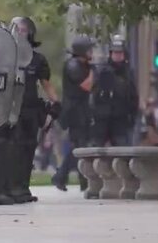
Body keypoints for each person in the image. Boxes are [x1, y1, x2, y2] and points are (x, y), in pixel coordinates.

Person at [7, 16, 59, 204]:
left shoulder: (37, 59)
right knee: (14, 148)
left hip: (30, 109)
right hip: (10, 109)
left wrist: (56, 103)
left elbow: (46, 84)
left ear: (30, 32)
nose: (21, 32)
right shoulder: (4, 56)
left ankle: (23, 187)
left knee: (29, 148)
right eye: (17, 29)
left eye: (24, 29)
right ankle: (11, 188)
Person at [52, 35, 95, 191]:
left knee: (78, 147)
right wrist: (94, 71)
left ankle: (63, 177)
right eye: (89, 49)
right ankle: (66, 178)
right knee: (79, 147)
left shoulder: (83, 65)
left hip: (82, 112)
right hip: (74, 113)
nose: (92, 53)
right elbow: (86, 86)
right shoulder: (73, 65)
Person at [90, 35, 138, 148]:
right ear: (111, 54)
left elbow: (133, 96)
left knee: (123, 151)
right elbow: (95, 94)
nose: (117, 56)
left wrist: (132, 116)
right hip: (102, 120)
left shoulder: (127, 74)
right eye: (115, 53)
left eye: (120, 53)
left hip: (120, 120)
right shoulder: (103, 72)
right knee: (97, 150)